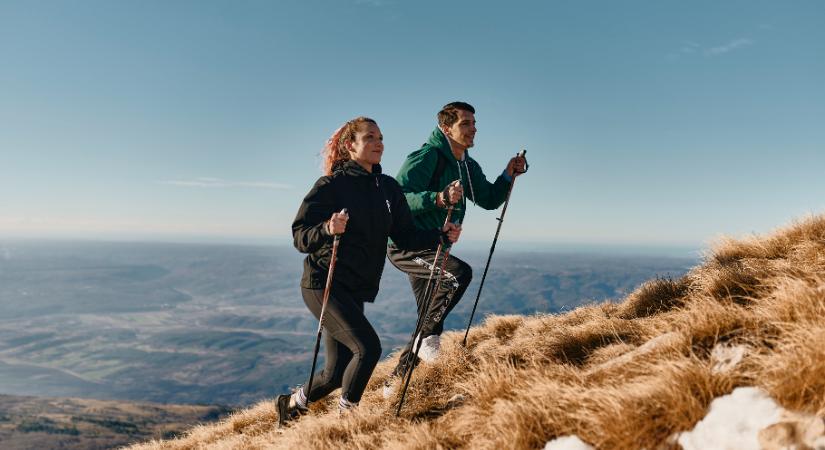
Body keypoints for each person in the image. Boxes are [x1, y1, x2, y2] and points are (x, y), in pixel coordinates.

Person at [278, 116, 461, 426]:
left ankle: (291, 404)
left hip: (354, 289)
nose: (379, 143)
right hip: (323, 283)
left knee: (335, 374)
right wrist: (326, 228)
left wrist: (439, 236)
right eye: (370, 138)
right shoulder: (331, 186)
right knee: (368, 348)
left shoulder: (388, 188)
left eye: (381, 138)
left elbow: (404, 235)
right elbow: (300, 236)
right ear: (351, 146)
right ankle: (346, 423)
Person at [384, 102, 527, 396]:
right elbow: (397, 198)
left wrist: (507, 175)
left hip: (436, 246)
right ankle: (425, 342)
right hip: (406, 246)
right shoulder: (427, 157)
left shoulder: (465, 164)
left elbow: (487, 198)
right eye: (466, 123)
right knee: (458, 275)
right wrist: (438, 198)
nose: (473, 129)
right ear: (446, 127)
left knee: (430, 314)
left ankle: (393, 385)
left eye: (474, 123)